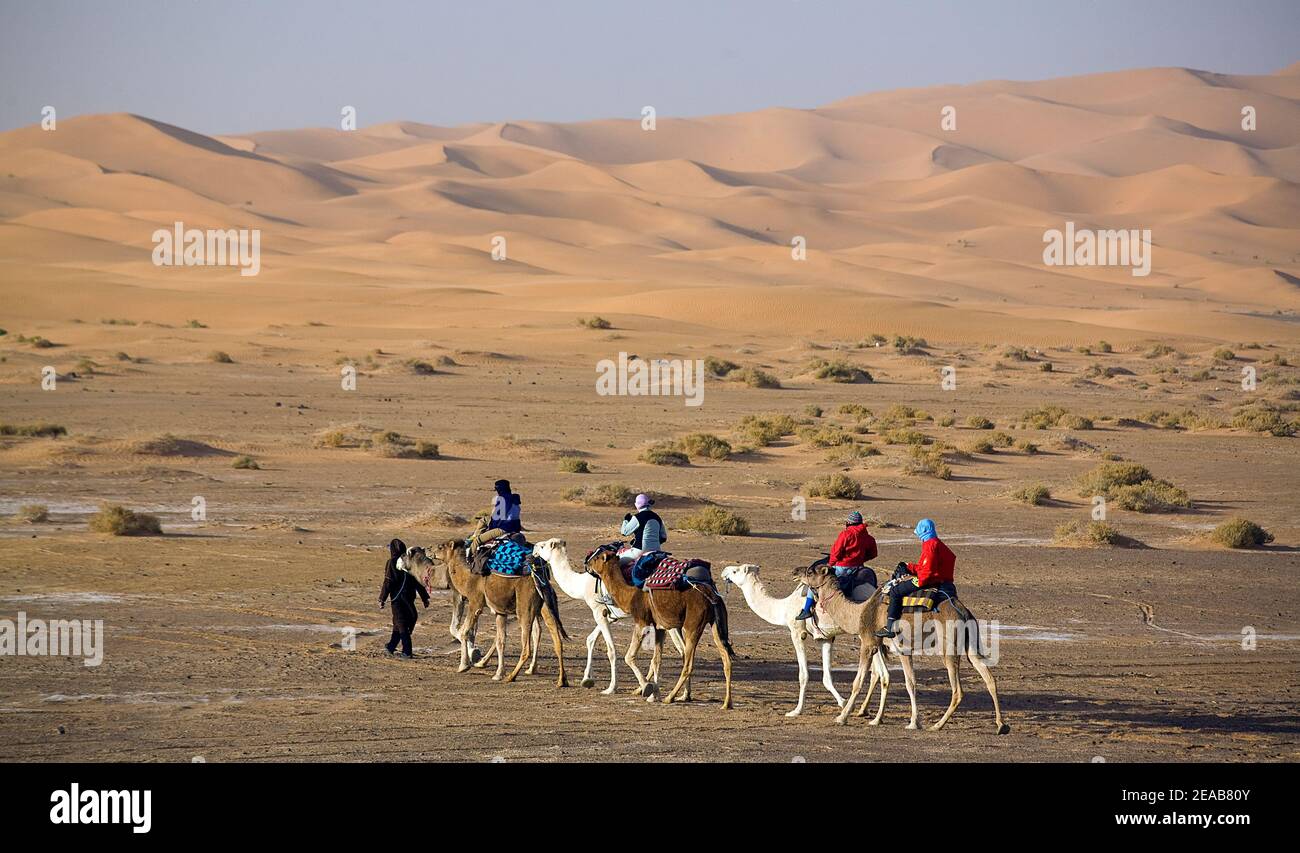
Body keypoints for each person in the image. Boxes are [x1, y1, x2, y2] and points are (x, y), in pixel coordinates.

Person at [875, 518, 955, 638]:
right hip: (944, 580)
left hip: (930, 580)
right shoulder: (938, 544)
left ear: (923, 531)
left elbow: (927, 571)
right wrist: (909, 567)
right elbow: (927, 566)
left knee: (895, 591)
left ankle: (890, 626)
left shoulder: (930, 546)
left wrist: (917, 579)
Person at [797, 510, 878, 620]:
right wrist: (860, 559)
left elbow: (836, 552)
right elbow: (873, 553)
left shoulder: (846, 534)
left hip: (842, 567)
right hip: (859, 568)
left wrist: (830, 564)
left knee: (814, 583)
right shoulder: (868, 537)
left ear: (848, 523)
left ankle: (806, 610)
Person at [379, 538, 430, 657]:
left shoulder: (409, 562)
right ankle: (407, 651)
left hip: (408, 598)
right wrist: (382, 599)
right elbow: (388, 582)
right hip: (396, 600)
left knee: (411, 618)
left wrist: (424, 597)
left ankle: (391, 646)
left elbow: (417, 581)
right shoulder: (391, 563)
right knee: (401, 623)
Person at [469, 479, 523, 551]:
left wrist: (490, 529)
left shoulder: (503, 500)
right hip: (515, 527)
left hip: (504, 528)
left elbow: (497, 519)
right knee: (484, 519)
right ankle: (475, 535)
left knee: (477, 541)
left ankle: (470, 559)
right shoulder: (514, 499)